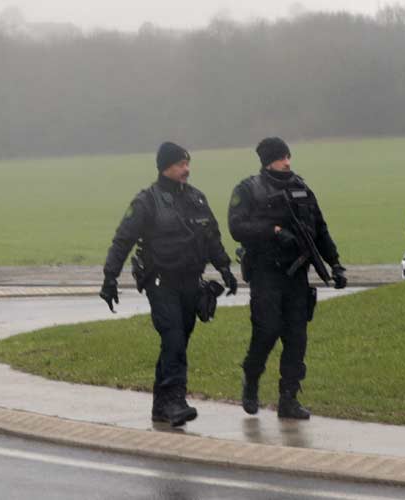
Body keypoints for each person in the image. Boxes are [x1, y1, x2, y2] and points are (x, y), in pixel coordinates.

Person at [99, 141, 238, 427]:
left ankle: (161, 405)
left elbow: (211, 236)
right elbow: (122, 240)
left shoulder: (197, 199)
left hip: (191, 281)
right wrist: (109, 278)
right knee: (173, 337)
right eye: (180, 164)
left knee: (178, 342)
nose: (186, 169)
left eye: (188, 164)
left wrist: (225, 268)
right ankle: (176, 401)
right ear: (166, 167)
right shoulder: (146, 201)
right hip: (161, 281)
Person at [228, 137, 347, 420]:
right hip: (266, 273)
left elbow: (320, 229)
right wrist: (275, 231)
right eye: (282, 157)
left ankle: (288, 399)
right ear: (268, 161)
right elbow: (237, 226)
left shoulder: (301, 188)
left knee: (297, 338)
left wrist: (335, 264)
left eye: (288, 156)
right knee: (267, 331)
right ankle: (252, 379)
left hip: (297, 277)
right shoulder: (248, 189)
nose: (287, 162)